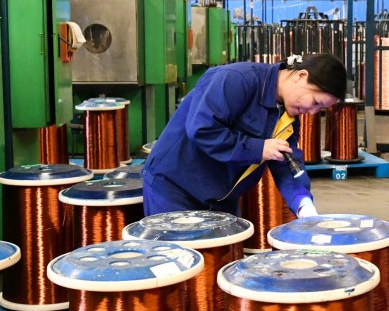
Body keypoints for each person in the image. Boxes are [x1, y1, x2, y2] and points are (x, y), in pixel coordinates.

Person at [142, 54, 346, 217]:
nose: (312, 112)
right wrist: (259, 148)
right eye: (316, 102)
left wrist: (302, 203)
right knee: (182, 263)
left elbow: (287, 165)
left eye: (320, 109)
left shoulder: (287, 116)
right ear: (300, 76)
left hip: (220, 199)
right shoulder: (236, 79)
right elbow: (202, 129)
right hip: (175, 190)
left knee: (219, 265)